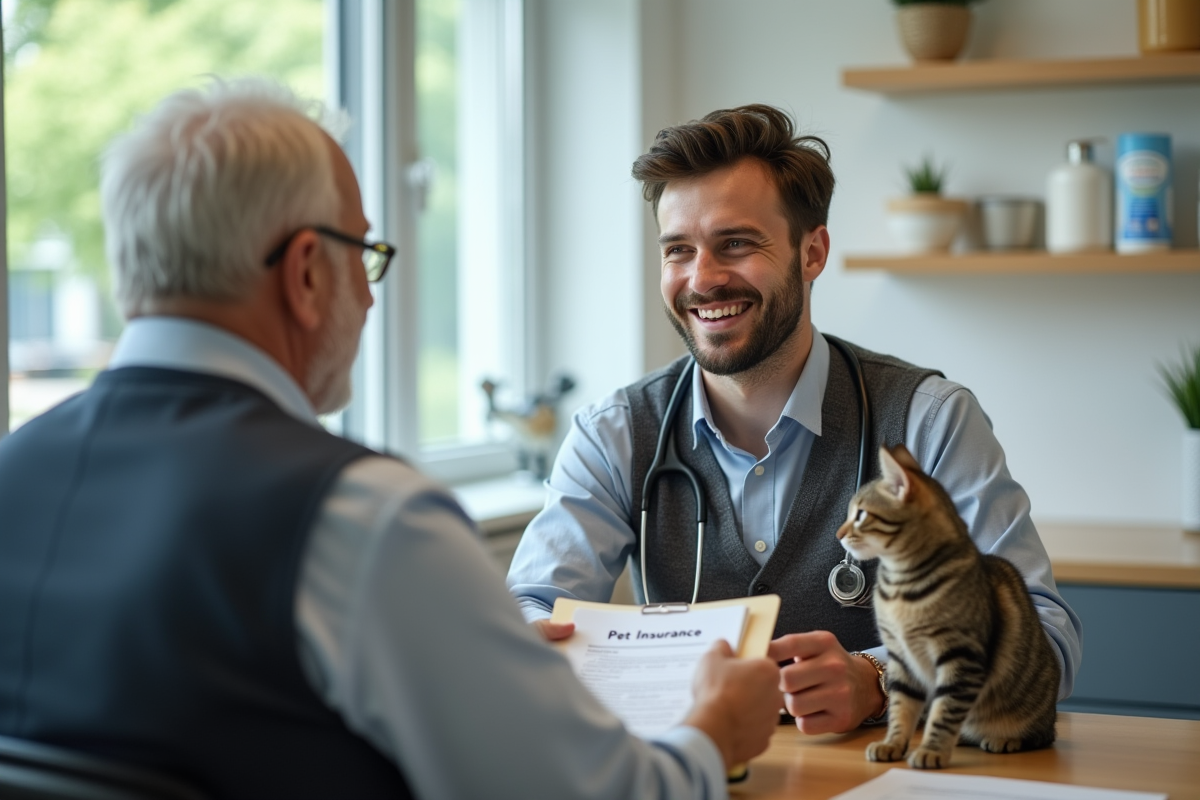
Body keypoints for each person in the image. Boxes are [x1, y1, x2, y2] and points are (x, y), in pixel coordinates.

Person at [0, 80, 784, 800]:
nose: (370, 302)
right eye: (364, 255)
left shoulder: (14, 475)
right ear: (306, 274)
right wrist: (714, 732)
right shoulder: (362, 517)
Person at [507, 104, 1083, 735]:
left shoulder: (928, 423)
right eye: (679, 250)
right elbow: (531, 606)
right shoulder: (615, 433)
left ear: (813, 253)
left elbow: (1044, 637)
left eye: (736, 243)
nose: (702, 279)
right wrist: (528, 642)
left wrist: (881, 679)